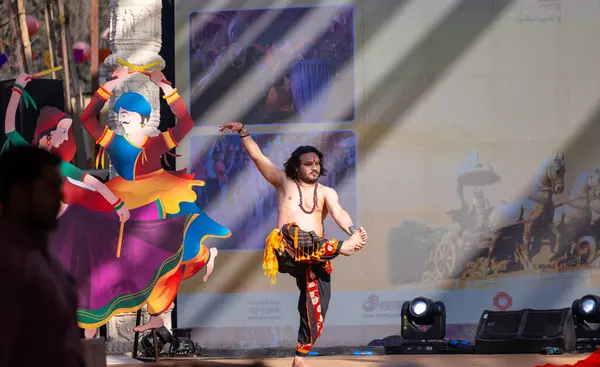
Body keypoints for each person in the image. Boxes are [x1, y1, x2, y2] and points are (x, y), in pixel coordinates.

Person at [5, 73, 189, 340]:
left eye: (66, 131)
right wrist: (18, 90)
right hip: (46, 229)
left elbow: (92, 181)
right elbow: (10, 128)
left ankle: (86, 347)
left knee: (87, 286)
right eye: (62, 131)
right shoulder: (34, 157)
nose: (65, 137)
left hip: (73, 227)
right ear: (46, 135)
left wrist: (117, 206)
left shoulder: (61, 165)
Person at [80, 67, 231, 332]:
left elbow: (186, 123)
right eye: (121, 115)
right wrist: (109, 86)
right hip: (125, 195)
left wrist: (167, 89)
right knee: (123, 253)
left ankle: (162, 305)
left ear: (143, 119)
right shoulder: (113, 141)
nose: (124, 120)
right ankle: (100, 311)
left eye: (129, 116)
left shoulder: (156, 143)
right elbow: (86, 118)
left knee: (168, 253)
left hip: (157, 196)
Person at [219, 122, 367, 367]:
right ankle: (341, 247)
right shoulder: (283, 182)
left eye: (317, 163)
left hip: (315, 254)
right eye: (308, 164)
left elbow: (340, 213)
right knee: (294, 232)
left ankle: (300, 357)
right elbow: (258, 156)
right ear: (296, 167)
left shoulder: (327, 192)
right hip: (287, 248)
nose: (314, 168)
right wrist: (243, 131)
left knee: (316, 306)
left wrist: (353, 232)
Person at [0, 146, 84, 367]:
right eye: (49, 188)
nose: (60, 197)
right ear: (19, 194)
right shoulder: (8, 265)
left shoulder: (42, 255)